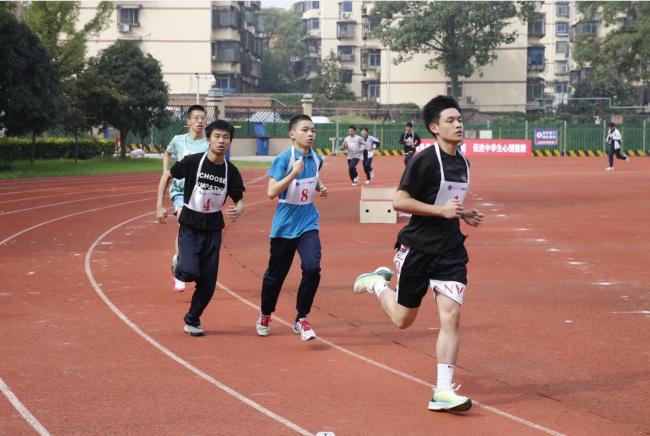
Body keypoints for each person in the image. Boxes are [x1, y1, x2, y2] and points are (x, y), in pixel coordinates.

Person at [352, 96, 485, 412]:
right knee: (402, 320)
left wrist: (463, 214)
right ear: (435, 128)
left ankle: (442, 390)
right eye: (451, 120)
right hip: (418, 249)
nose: (459, 124)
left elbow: (447, 203)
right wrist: (441, 212)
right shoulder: (424, 160)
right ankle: (377, 285)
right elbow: (399, 201)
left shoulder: (463, 162)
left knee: (451, 316)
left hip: (451, 250)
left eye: (460, 119)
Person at [156, 120, 245, 337]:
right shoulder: (193, 162)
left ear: (230, 142)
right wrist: (159, 206)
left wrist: (239, 209)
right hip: (190, 225)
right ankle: (178, 265)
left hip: (213, 228)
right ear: (208, 139)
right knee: (188, 272)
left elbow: (239, 198)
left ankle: (192, 319)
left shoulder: (231, 171)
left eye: (225, 137)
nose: (221, 141)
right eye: (217, 136)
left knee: (208, 283)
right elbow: (168, 175)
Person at [256, 114, 329, 341]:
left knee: (312, 268)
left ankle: (301, 318)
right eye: (305, 130)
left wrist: (321, 187)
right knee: (276, 276)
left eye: (313, 131)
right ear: (292, 134)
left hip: (308, 221)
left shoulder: (317, 159)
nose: (310, 135)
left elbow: (313, 178)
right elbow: (271, 192)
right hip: (285, 224)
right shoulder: (283, 159)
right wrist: (294, 173)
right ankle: (266, 313)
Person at [158, 105, 209, 292]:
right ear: (188, 121)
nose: (200, 121)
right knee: (184, 222)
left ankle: (179, 260)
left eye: (203, 118)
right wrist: (166, 169)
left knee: (196, 231)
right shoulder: (178, 140)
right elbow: (167, 152)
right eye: (196, 118)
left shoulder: (208, 144)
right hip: (179, 191)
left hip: (199, 194)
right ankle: (180, 267)